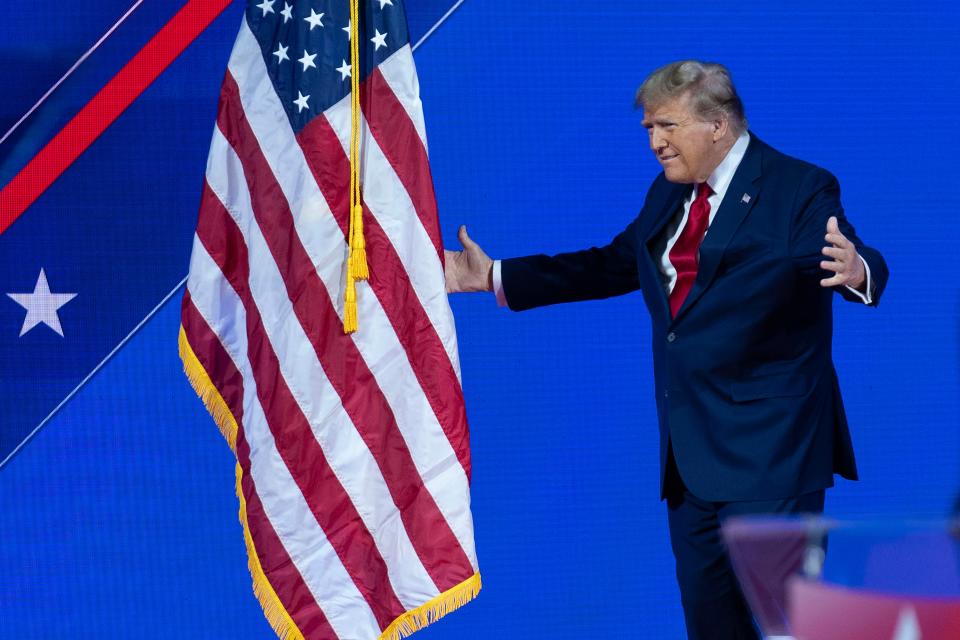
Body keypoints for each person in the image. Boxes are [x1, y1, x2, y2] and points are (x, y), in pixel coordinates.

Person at [444, 60, 888, 639]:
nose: (656, 143)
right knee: (712, 626)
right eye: (649, 129)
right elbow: (613, 263)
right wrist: (498, 277)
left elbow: (851, 257)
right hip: (690, 457)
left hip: (773, 452)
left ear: (718, 127)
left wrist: (858, 270)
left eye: (668, 127)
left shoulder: (798, 187)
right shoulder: (670, 194)